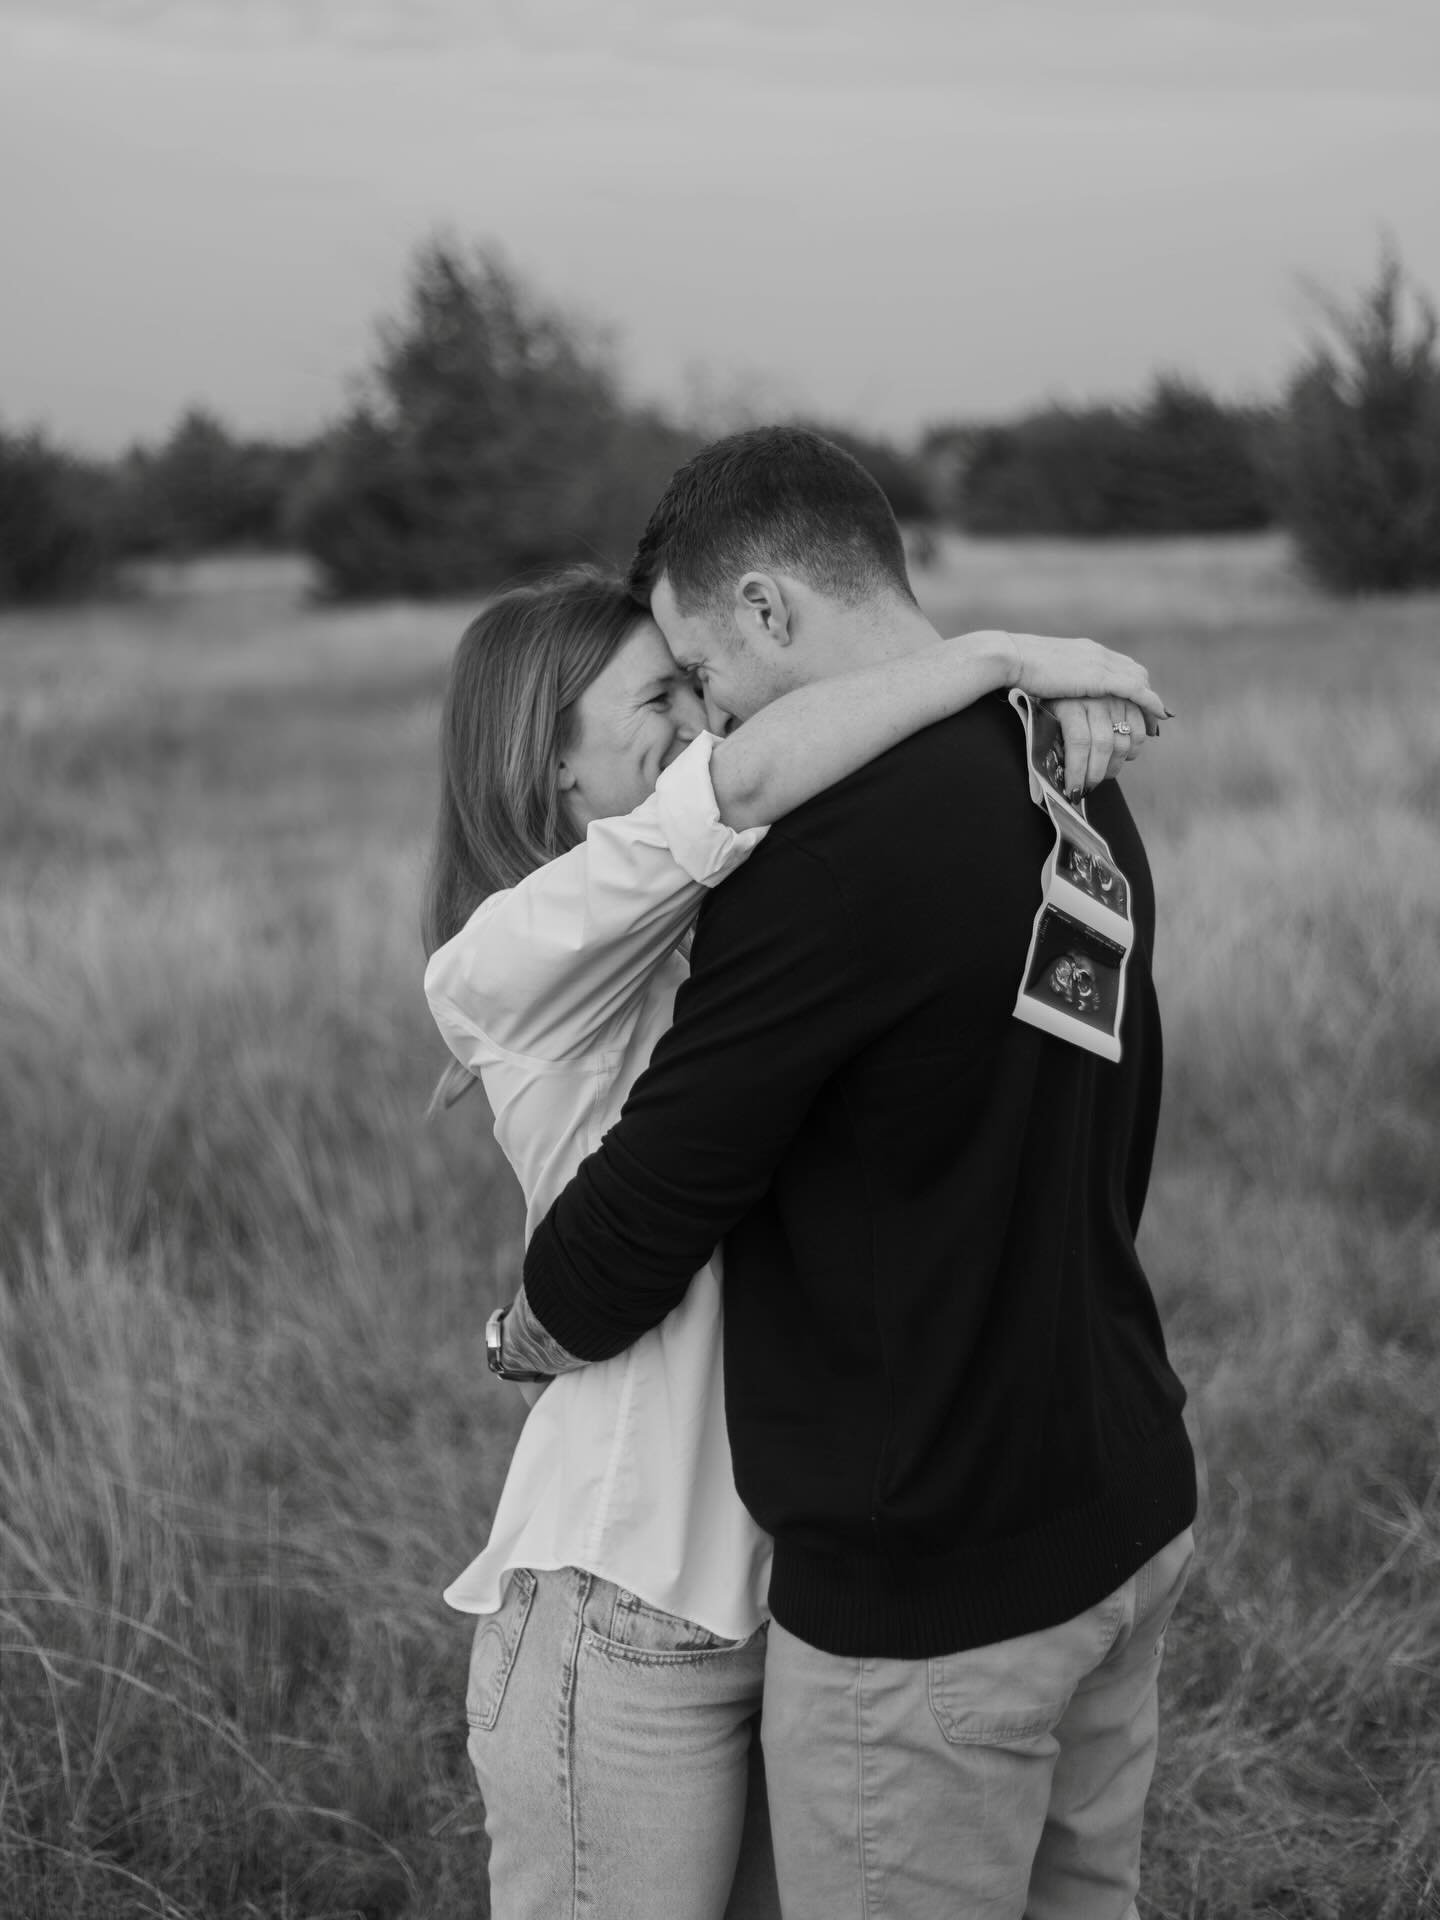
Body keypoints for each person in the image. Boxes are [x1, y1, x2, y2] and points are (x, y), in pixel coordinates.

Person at [509, 427, 1198, 1920]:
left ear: (766, 608)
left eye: (699, 674)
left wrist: (518, 1330)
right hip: (1119, 1509)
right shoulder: (1066, 758)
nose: (705, 723)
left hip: (936, 1602)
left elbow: (611, 1251)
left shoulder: (824, 852)